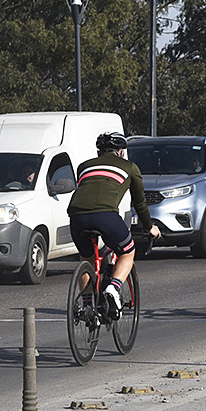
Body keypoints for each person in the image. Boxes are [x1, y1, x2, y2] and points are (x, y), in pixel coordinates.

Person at [66, 132, 160, 315]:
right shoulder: (131, 167)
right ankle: (113, 288)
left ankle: (87, 306)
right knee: (127, 251)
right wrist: (149, 227)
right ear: (122, 152)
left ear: (99, 152)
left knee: (87, 259)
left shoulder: (83, 166)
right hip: (105, 215)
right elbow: (139, 203)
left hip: (76, 216)